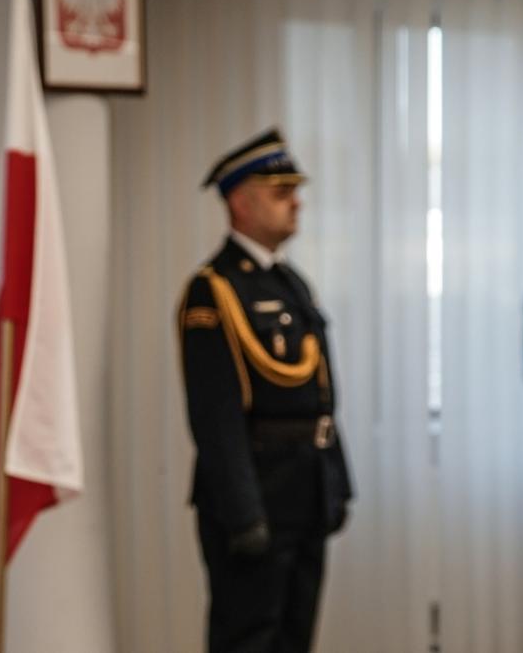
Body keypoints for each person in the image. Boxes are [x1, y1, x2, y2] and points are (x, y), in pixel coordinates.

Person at [176, 128, 354, 653]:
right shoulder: (214, 289)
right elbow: (214, 414)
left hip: (305, 489)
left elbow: (322, 395)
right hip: (256, 491)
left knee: (295, 638)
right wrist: (243, 512)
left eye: (294, 191)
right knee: (248, 639)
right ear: (239, 202)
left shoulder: (289, 284)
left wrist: (337, 483)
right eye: (280, 193)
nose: (296, 203)